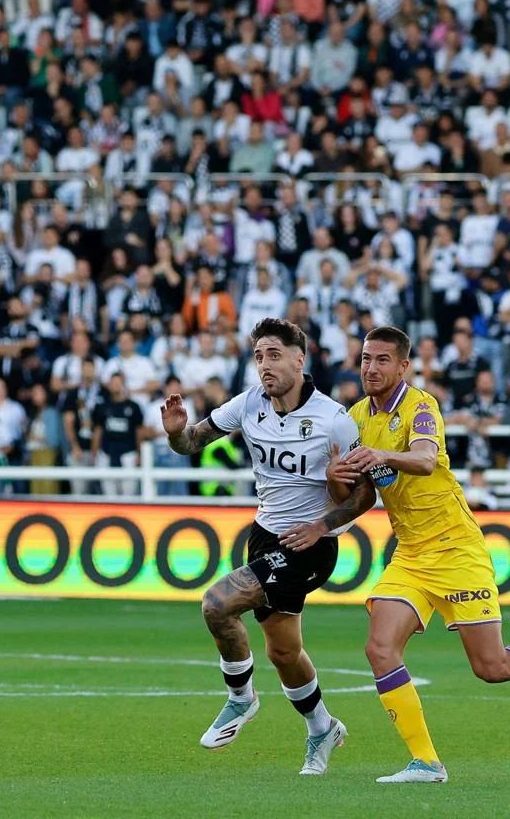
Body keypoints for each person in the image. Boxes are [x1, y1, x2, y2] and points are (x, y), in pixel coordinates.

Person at [316, 326, 510, 784]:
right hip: (410, 552)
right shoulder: (354, 416)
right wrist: (337, 476)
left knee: (490, 668)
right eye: (366, 359)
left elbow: (425, 460)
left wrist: (380, 454)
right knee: (379, 648)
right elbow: (362, 495)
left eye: (382, 360)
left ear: (403, 366)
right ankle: (426, 763)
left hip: (456, 548)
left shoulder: (421, 406)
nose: (371, 368)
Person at [160, 318, 369, 775]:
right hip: (265, 536)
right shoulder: (250, 403)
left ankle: (240, 699)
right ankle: (322, 728)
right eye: (258, 356)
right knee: (283, 652)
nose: (264, 365)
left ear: (300, 358)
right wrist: (176, 431)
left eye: (274, 354)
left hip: (310, 544)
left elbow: (365, 494)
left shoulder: (335, 419)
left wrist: (322, 525)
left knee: (217, 604)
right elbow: (191, 442)